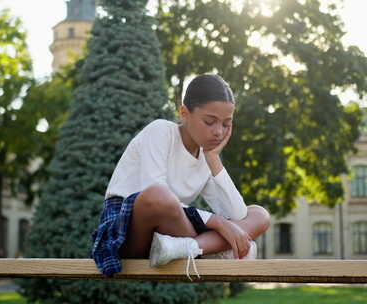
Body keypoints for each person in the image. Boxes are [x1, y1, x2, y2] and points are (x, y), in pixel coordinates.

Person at [91, 74, 270, 279]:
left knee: (259, 214)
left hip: (168, 238)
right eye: (210, 122)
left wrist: (213, 158)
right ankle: (212, 250)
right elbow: (154, 197)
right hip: (127, 229)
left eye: (226, 124)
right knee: (159, 196)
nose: (218, 132)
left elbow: (238, 215)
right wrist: (219, 223)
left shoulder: (206, 155)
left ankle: (187, 248)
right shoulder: (160, 131)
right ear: (184, 113)